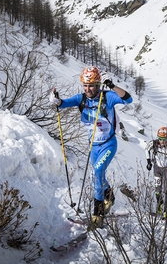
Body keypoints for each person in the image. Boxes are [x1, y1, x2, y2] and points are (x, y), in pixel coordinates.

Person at [50, 66, 133, 228]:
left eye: (91, 85)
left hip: (108, 144)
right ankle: (109, 196)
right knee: (96, 177)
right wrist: (56, 100)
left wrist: (111, 85)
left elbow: (128, 99)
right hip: (93, 146)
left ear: (98, 84)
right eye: (85, 85)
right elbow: (62, 104)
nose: (88, 89)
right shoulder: (81, 99)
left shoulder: (108, 97)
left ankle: (98, 214)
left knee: (96, 174)